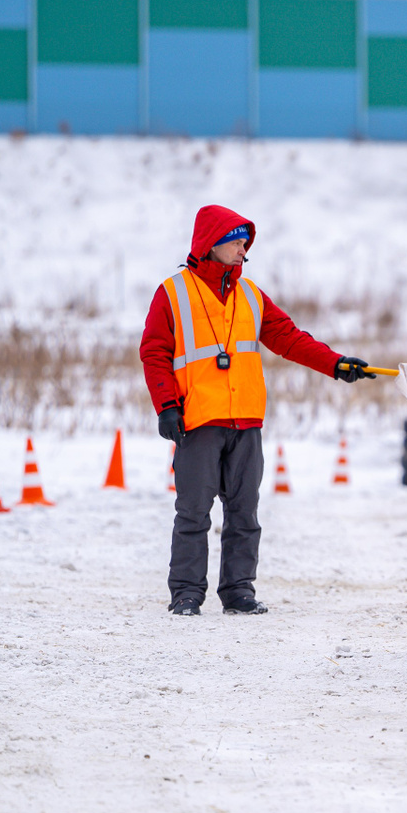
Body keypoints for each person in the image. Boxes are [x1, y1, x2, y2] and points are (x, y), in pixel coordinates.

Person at [140, 205, 371, 616]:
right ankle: (186, 594)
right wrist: (167, 406)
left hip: (246, 420)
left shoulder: (250, 295)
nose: (243, 248)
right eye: (235, 240)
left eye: (245, 242)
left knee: (244, 512)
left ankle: (238, 592)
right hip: (199, 420)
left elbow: (290, 338)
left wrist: (335, 364)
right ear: (211, 243)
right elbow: (155, 352)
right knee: (193, 513)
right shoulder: (172, 293)